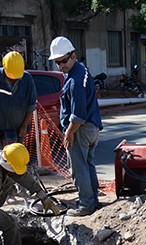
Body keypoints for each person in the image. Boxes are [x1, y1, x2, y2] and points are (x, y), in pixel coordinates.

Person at [48, 36, 102, 217]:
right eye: (57, 62)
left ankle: (86, 204)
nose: (60, 66)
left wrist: (69, 133)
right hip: (91, 127)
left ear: (73, 55)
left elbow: (78, 115)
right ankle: (92, 199)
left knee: (79, 168)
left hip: (80, 129)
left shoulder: (74, 80)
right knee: (88, 164)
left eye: (63, 61)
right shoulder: (82, 71)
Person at [0, 51, 37, 150]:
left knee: (17, 155)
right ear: (4, 67)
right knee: (2, 157)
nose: (13, 79)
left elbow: (31, 105)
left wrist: (24, 126)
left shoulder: (27, 79)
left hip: (19, 130)